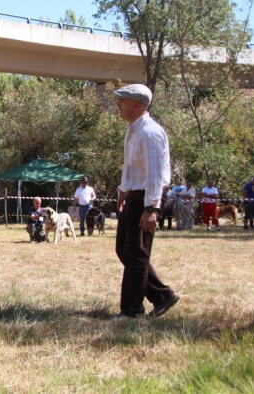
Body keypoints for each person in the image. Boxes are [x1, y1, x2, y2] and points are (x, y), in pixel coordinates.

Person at [113, 84, 179, 319]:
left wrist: (151, 208)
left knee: (137, 254)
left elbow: (155, 175)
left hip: (146, 197)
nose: (118, 105)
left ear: (137, 105)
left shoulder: (149, 132)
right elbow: (131, 165)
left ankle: (131, 310)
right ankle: (162, 296)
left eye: (122, 100)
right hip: (134, 195)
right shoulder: (133, 129)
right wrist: (123, 190)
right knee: (125, 250)